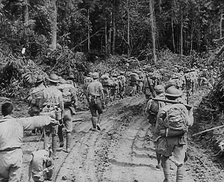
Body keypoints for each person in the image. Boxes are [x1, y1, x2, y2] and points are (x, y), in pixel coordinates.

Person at [0, 102, 57, 182]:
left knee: (3, 179)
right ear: (12, 112)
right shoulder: (18, 122)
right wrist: (48, 119)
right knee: (14, 179)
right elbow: (33, 121)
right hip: (15, 154)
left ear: (2, 113)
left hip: (2, 156)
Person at [155, 86, 194, 182]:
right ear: (178, 97)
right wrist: (191, 113)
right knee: (180, 163)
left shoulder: (163, 109)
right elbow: (189, 123)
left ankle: (167, 179)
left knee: (165, 157)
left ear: (166, 97)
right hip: (180, 139)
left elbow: (157, 128)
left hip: (167, 138)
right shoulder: (183, 108)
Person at [42, 73, 64, 155]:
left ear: (49, 81)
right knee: (54, 134)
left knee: (46, 134)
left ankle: (46, 152)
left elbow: (41, 103)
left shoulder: (45, 91)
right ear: (56, 82)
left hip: (46, 112)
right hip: (55, 112)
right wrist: (61, 117)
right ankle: (54, 154)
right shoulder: (58, 92)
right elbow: (61, 105)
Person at [57, 77, 78, 152]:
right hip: (68, 110)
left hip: (59, 111)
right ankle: (68, 148)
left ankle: (61, 141)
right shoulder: (71, 88)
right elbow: (75, 100)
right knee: (68, 130)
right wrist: (75, 106)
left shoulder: (57, 89)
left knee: (59, 127)